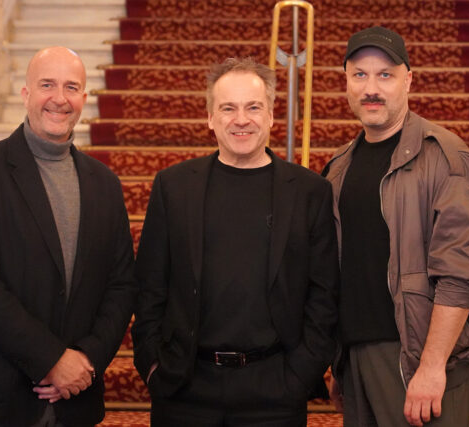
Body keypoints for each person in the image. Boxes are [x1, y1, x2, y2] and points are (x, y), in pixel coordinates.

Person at [131, 57, 339, 426]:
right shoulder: (173, 187)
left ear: (271, 115)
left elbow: (324, 295)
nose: (241, 119)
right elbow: (150, 287)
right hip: (185, 388)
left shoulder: (310, 192)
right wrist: (153, 366)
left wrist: (299, 376)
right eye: (228, 108)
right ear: (210, 117)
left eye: (253, 107)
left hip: (275, 391)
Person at [0, 46, 137, 426]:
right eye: (47, 85)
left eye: (71, 87)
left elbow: (122, 285)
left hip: (75, 402)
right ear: (26, 93)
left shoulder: (105, 184)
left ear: (84, 98)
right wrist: (51, 360)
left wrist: (86, 359)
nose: (59, 98)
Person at [323, 26, 469, 427]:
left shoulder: (446, 158)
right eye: (360, 75)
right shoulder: (339, 168)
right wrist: (343, 363)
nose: (371, 88)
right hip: (358, 360)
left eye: (385, 75)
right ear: (346, 83)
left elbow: (464, 273)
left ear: (408, 80)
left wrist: (432, 365)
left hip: (420, 360)